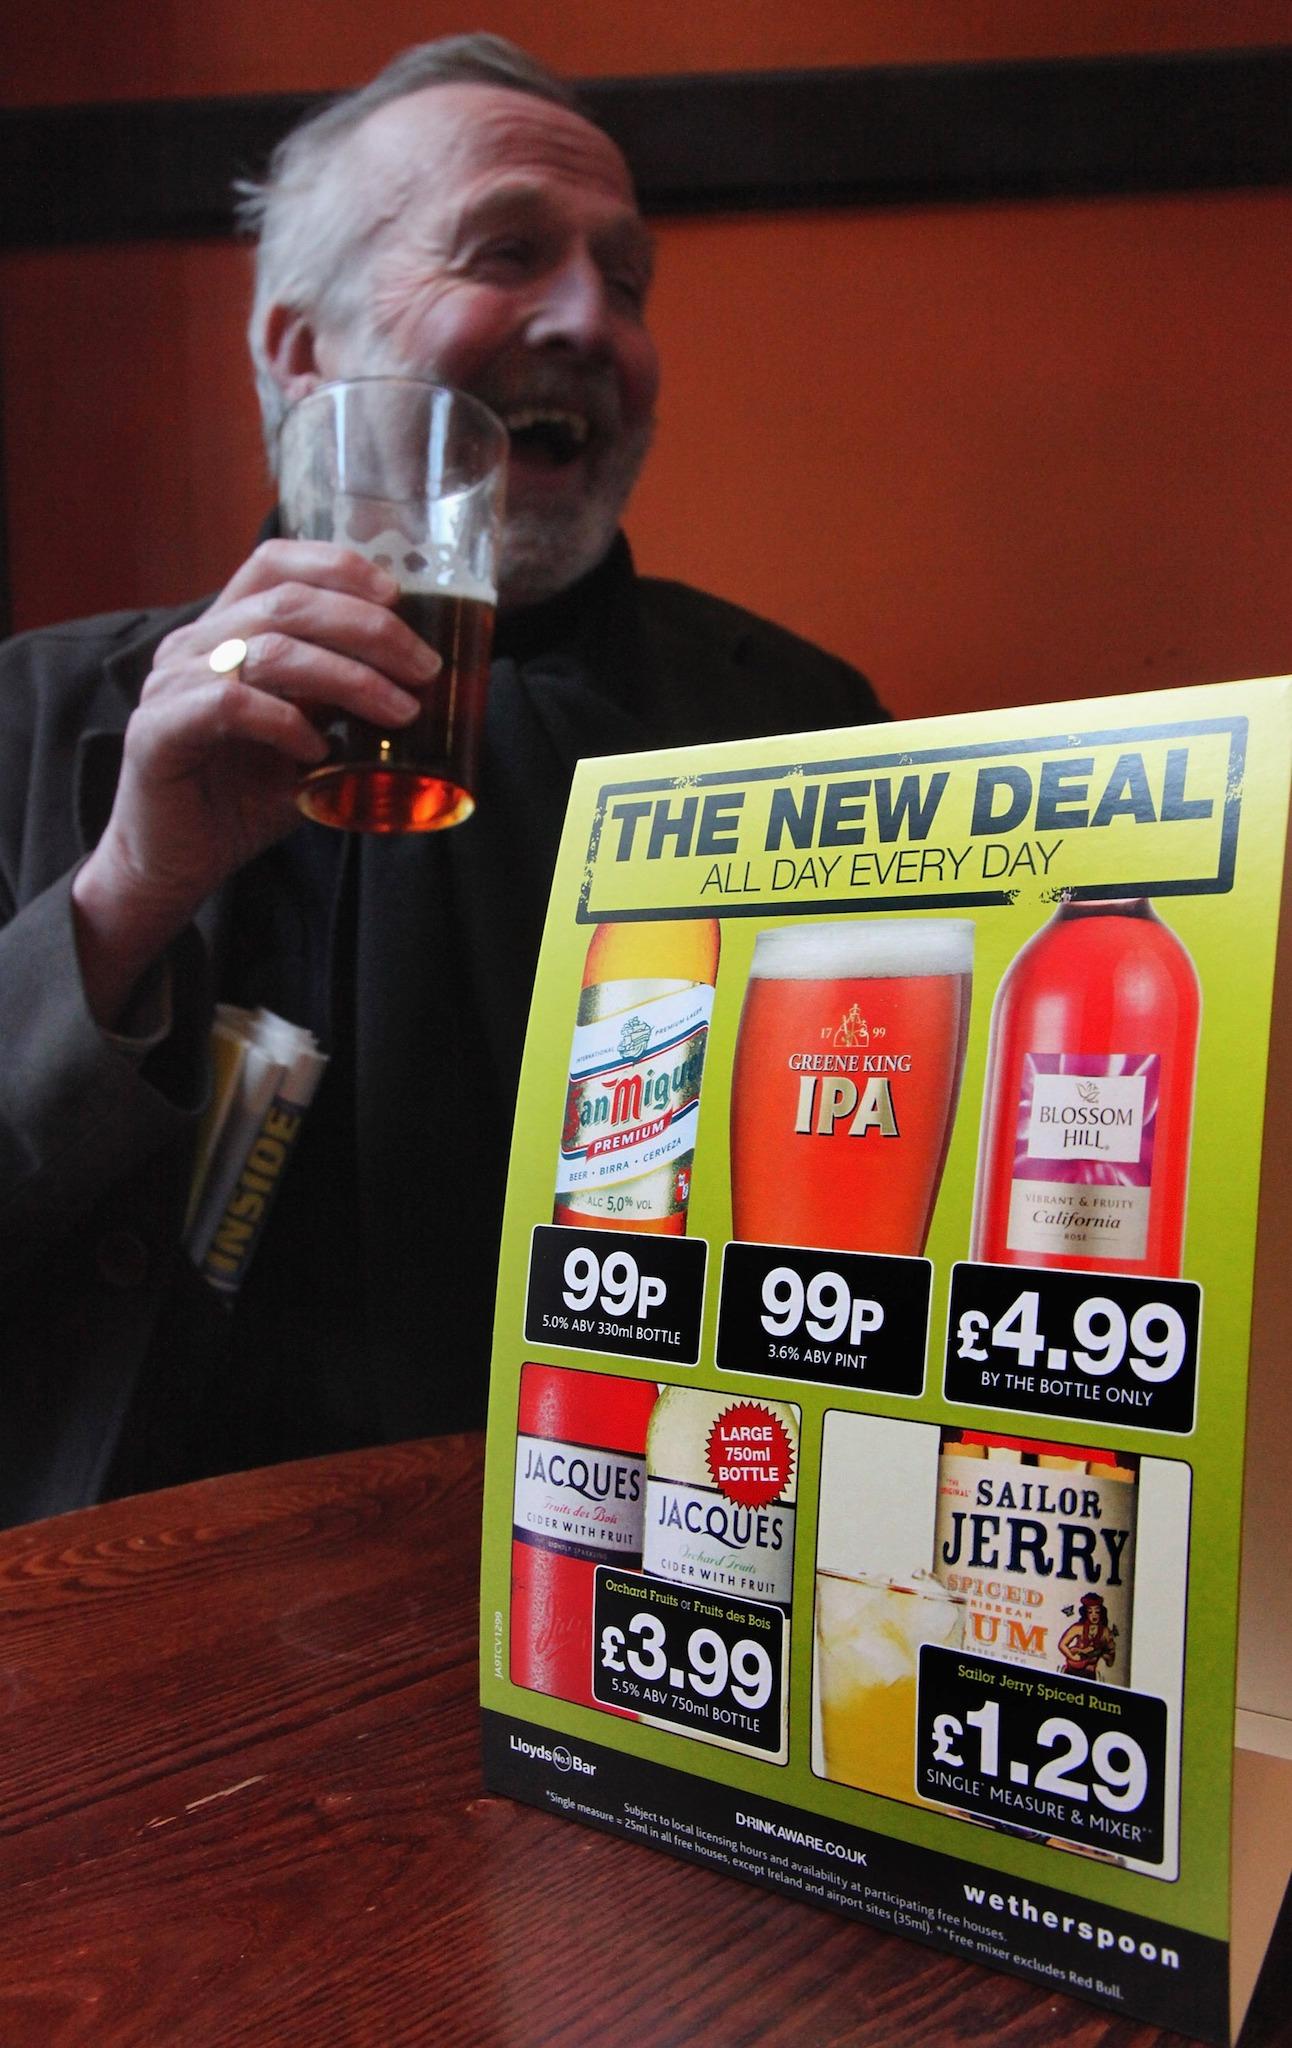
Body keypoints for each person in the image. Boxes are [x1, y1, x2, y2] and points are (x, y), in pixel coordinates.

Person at [0, 34, 885, 1529]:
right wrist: (122, 899)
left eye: (629, 279)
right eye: (508, 251)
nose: (592, 320)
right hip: (140, 1610)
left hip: (661, 1578)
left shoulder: (804, 724)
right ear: (297, 351)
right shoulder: (31, 711)